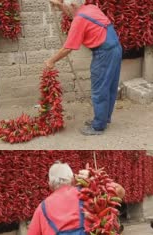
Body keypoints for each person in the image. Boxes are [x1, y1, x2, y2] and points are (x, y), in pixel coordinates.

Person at [46, 0, 123, 136]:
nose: (64, 13)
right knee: (110, 87)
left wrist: (51, 61)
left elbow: (68, 48)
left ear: (73, 6)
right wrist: (58, 4)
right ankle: (104, 119)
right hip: (115, 48)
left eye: (64, 9)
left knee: (99, 90)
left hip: (104, 53)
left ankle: (98, 126)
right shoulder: (91, 8)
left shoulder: (79, 19)